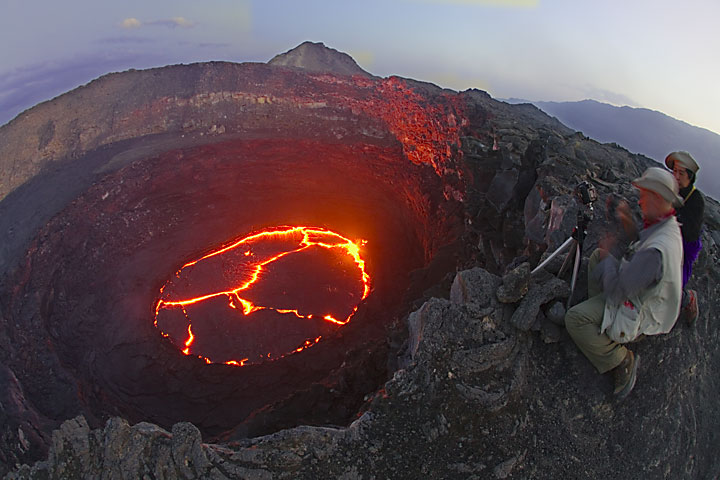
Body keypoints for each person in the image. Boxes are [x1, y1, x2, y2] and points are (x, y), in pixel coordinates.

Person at [564, 167, 683, 400]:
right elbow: (639, 245)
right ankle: (597, 316)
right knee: (599, 256)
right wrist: (628, 223)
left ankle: (619, 360)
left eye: (644, 196)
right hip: (639, 290)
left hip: (641, 311)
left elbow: (619, 291)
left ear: (658, 198)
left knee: (574, 319)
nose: (639, 201)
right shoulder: (665, 224)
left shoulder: (657, 252)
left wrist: (610, 253)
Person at [665, 151, 704, 324]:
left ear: (690, 176)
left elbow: (690, 232)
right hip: (668, 241)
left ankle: (688, 299)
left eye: (681, 173)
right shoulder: (671, 189)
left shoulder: (696, 200)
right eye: (674, 171)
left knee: (670, 290)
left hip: (685, 248)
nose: (676, 176)